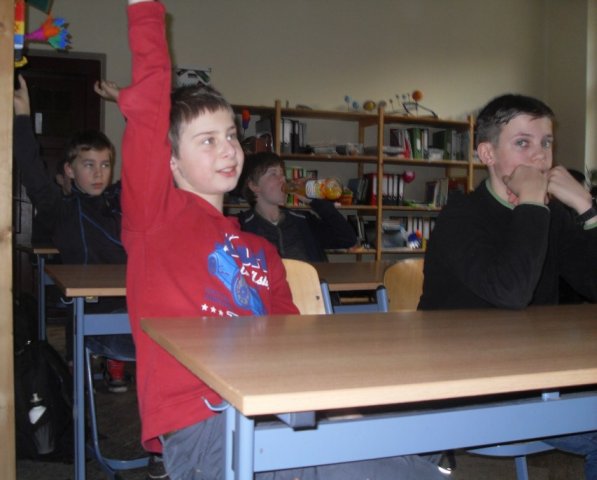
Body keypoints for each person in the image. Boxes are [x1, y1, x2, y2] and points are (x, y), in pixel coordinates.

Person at [117, 1, 448, 478]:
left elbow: (289, 343)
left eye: (231, 135)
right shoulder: (156, 220)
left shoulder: (260, 251)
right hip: (206, 427)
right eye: (207, 140)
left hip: (273, 408)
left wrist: (330, 407)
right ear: (170, 161)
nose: (228, 149)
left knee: (420, 419)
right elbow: (149, 110)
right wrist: (145, 12)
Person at [419, 93, 597, 478]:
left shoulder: (551, 217)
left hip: (536, 378)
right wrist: (532, 201)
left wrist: (587, 208)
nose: (540, 157)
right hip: (465, 384)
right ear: (488, 154)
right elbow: (511, 293)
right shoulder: (461, 217)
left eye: (546, 143)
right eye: (522, 143)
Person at [13, 75, 134, 394]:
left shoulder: (120, 201)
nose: (98, 173)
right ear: (69, 170)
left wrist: (126, 105)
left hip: (133, 303)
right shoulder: (60, 209)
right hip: (91, 310)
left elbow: (144, 157)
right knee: (81, 314)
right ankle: (76, 368)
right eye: (88, 165)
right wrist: (23, 116)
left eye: (105, 164)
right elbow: (32, 169)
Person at [237, 152, 357, 261]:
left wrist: (315, 201)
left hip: (308, 279)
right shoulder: (240, 226)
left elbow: (347, 239)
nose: (283, 179)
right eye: (273, 174)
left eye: (282, 173)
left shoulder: (303, 220)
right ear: (254, 186)